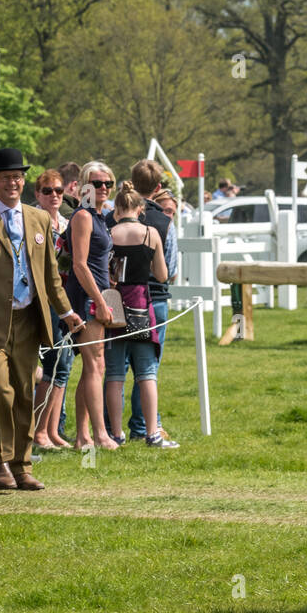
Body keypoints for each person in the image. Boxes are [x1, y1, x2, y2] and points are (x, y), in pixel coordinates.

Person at [0, 147, 84, 490]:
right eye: (5, 178)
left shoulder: (38, 218)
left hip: (30, 319)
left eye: (17, 177)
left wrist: (66, 311)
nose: (13, 183)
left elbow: (50, 276)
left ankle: (22, 465)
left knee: (26, 392)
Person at [104, 180, 178, 449]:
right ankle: (152, 433)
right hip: (140, 305)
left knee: (114, 373)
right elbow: (162, 275)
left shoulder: (107, 232)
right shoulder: (150, 233)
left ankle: (115, 433)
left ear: (116, 208)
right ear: (139, 208)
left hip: (113, 306)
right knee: (146, 372)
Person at [64, 161, 117, 451]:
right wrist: (99, 301)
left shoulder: (100, 216)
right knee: (95, 365)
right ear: (85, 186)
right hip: (87, 297)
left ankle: (83, 435)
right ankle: (100, 435)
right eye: (97, 183)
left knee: (93, 366)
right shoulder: (83, 216)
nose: (104, 188)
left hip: (99, 295)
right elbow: (80, 265)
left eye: (108, 182)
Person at [127, 159, 178, 442]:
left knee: (117, 366)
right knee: (148, 368)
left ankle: (111, 428)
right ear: (158, 188)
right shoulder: (164, 222)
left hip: (120, 297)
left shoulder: (114, 215)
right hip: (154, 298)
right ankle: (144, 425)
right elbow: (169, 269)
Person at [32, 170, 75, 449]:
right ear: (37, 194)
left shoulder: (68, 223)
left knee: (65, 365)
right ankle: (37, 432)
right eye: (48, 191)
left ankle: (52, 429)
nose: (54, 195)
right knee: (50, 365)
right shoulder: (31, 220)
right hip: (41, 301)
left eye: (58, 190)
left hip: (65, 298)